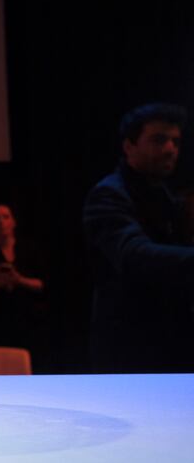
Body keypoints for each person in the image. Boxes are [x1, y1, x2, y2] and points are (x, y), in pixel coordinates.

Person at [83, 103, 194, 373]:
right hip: (130, 353)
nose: (171, 149)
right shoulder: (108, 195)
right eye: (159, 140)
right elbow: (133, 255)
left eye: (175, 141)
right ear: (129, 146)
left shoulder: (169, 196)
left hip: (172, 347)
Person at [0, 204, 45, 355]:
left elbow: (41, 285)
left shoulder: (29, 249)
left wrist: (19, 279)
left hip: (27, 324)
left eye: (5, 217)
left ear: (14, 222)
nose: (1, 222)